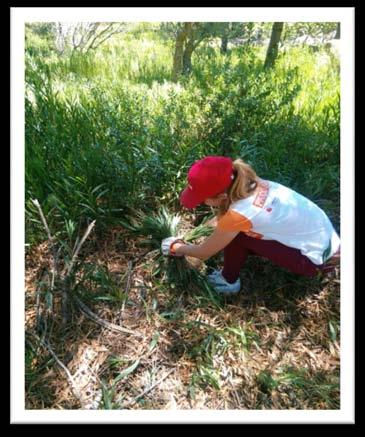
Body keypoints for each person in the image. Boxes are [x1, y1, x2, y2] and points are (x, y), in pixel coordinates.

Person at [161, 156, 340, 295]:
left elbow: (204, 253)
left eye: (202, 199)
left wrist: (176, 247)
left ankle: (228, 281)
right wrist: (200, 234)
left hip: (317, 263)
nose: (200, 202)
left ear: (221, 197)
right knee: (234, 230)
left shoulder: (239, 214)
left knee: (238, 236)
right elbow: (222, 221)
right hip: (331, 245)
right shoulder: (248, 183)